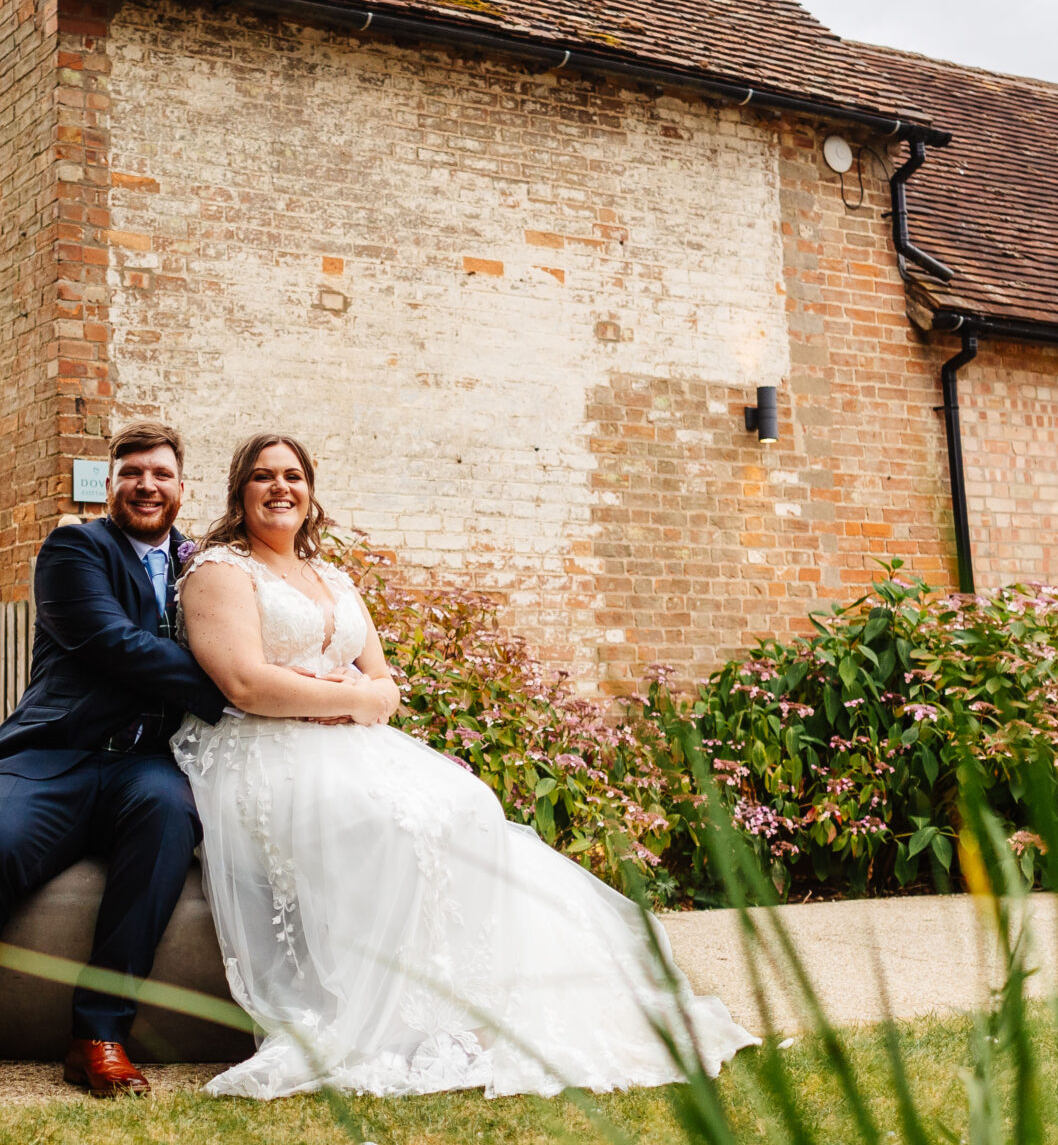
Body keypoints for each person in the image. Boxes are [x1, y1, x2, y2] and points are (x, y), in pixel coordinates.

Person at [173, 432, 759, 1099]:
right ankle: (386, 1017)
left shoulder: (331, 576)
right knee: (388, 826)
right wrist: (346, 697)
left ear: (310, 493)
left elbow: (386, 685)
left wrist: (357, 700)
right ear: (239, 492)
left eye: (293, 476)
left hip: (351, 738)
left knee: (470, 806)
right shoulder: (221, 570)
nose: (280, 487)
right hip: (262, 748)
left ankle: (461, 1005)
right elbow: (246, 684)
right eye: (263, 477)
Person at [0, 421, 355, 1097]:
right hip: (55, 754)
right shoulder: (75, 547)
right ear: (110, 486)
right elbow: (115, 644)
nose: (147, 484)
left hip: (149, 765)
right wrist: (242, 685)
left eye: (161, 473)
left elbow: (245, 637)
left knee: (167, 823)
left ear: (183, 488)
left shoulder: (207, 564)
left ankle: (99, 1034)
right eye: (132, 472)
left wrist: (284, 677)